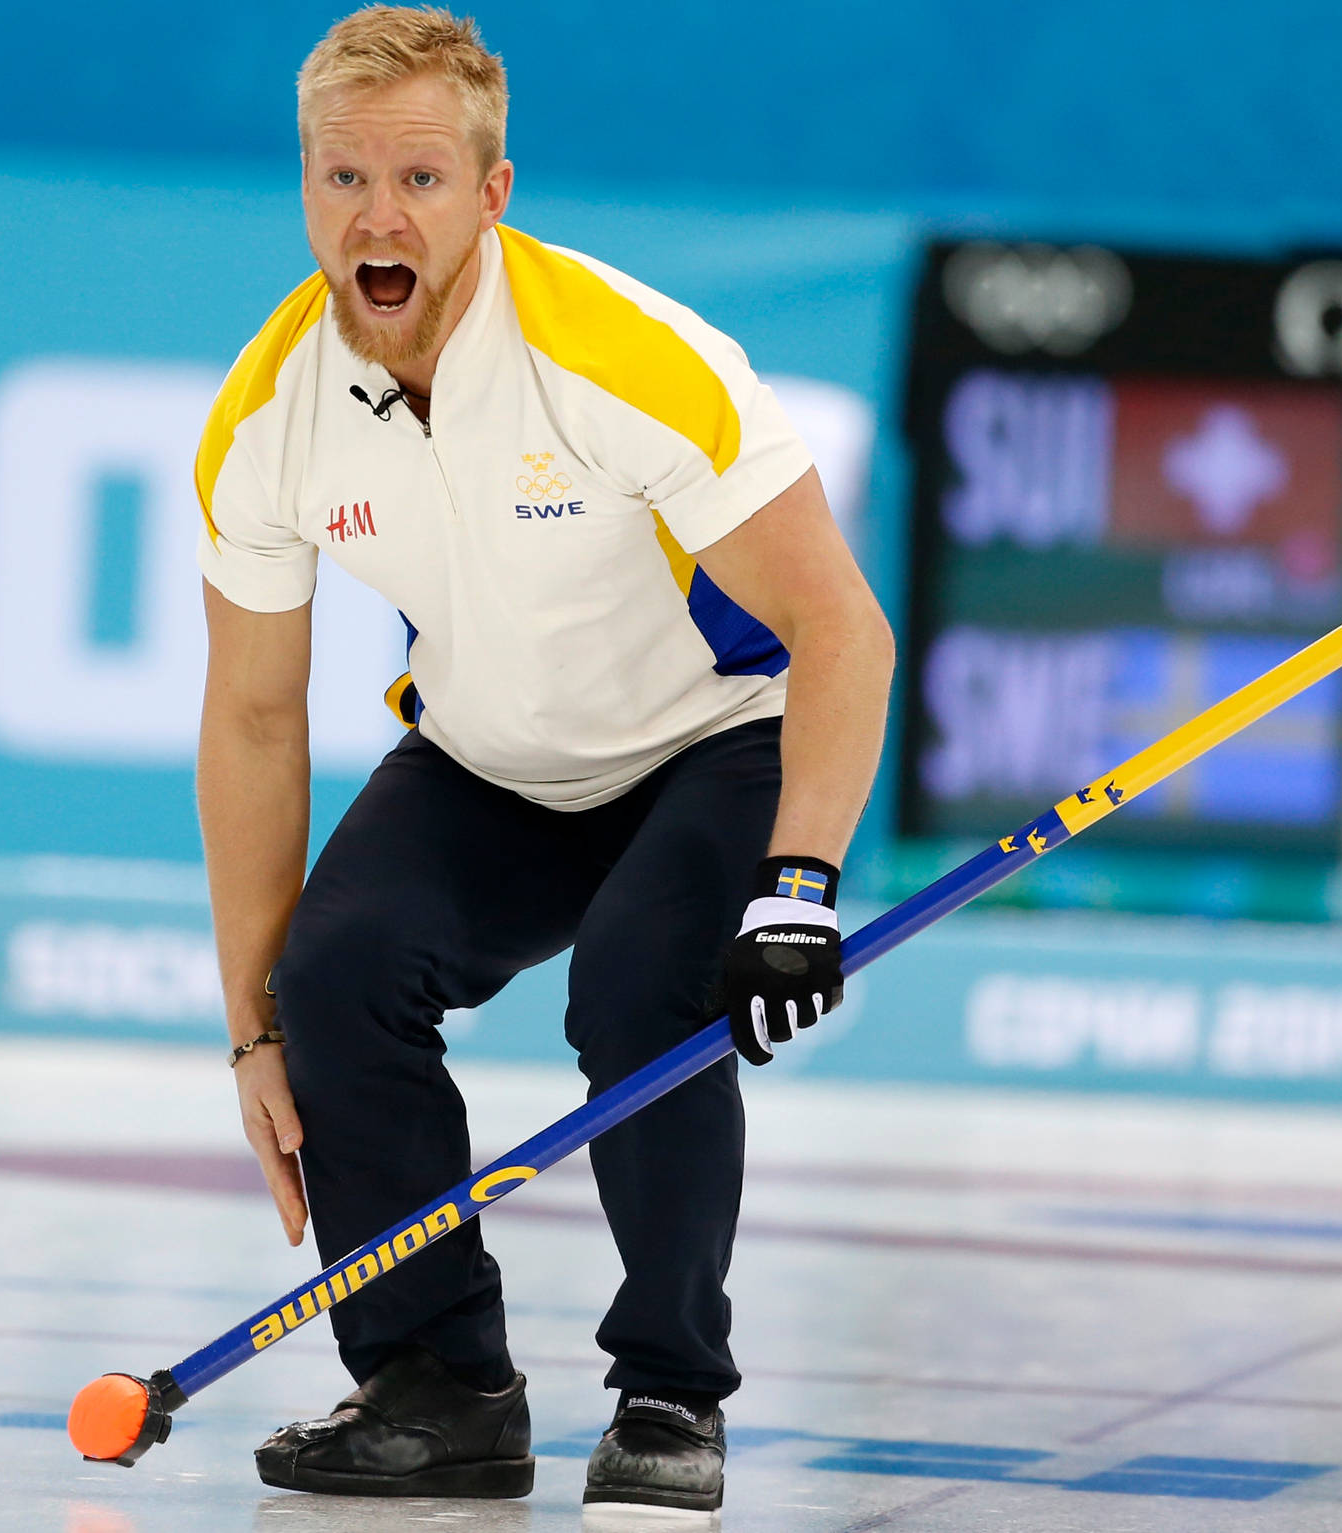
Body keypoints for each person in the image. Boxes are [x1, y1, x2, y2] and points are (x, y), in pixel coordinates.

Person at [194, 4, 893, 1513]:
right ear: (302, 183)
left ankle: (669, 1391)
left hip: (713, 739)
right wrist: (254, 1031)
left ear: (493, 192)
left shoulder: (625, 359)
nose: (377, 218)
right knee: (332, 978)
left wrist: (798, 885)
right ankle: (437, 1382)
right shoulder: (268, 416)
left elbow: (844, 633)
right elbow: (252, 717)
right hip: (492, 758)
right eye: (341, 180)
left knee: (641, 986)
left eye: (422, 181)